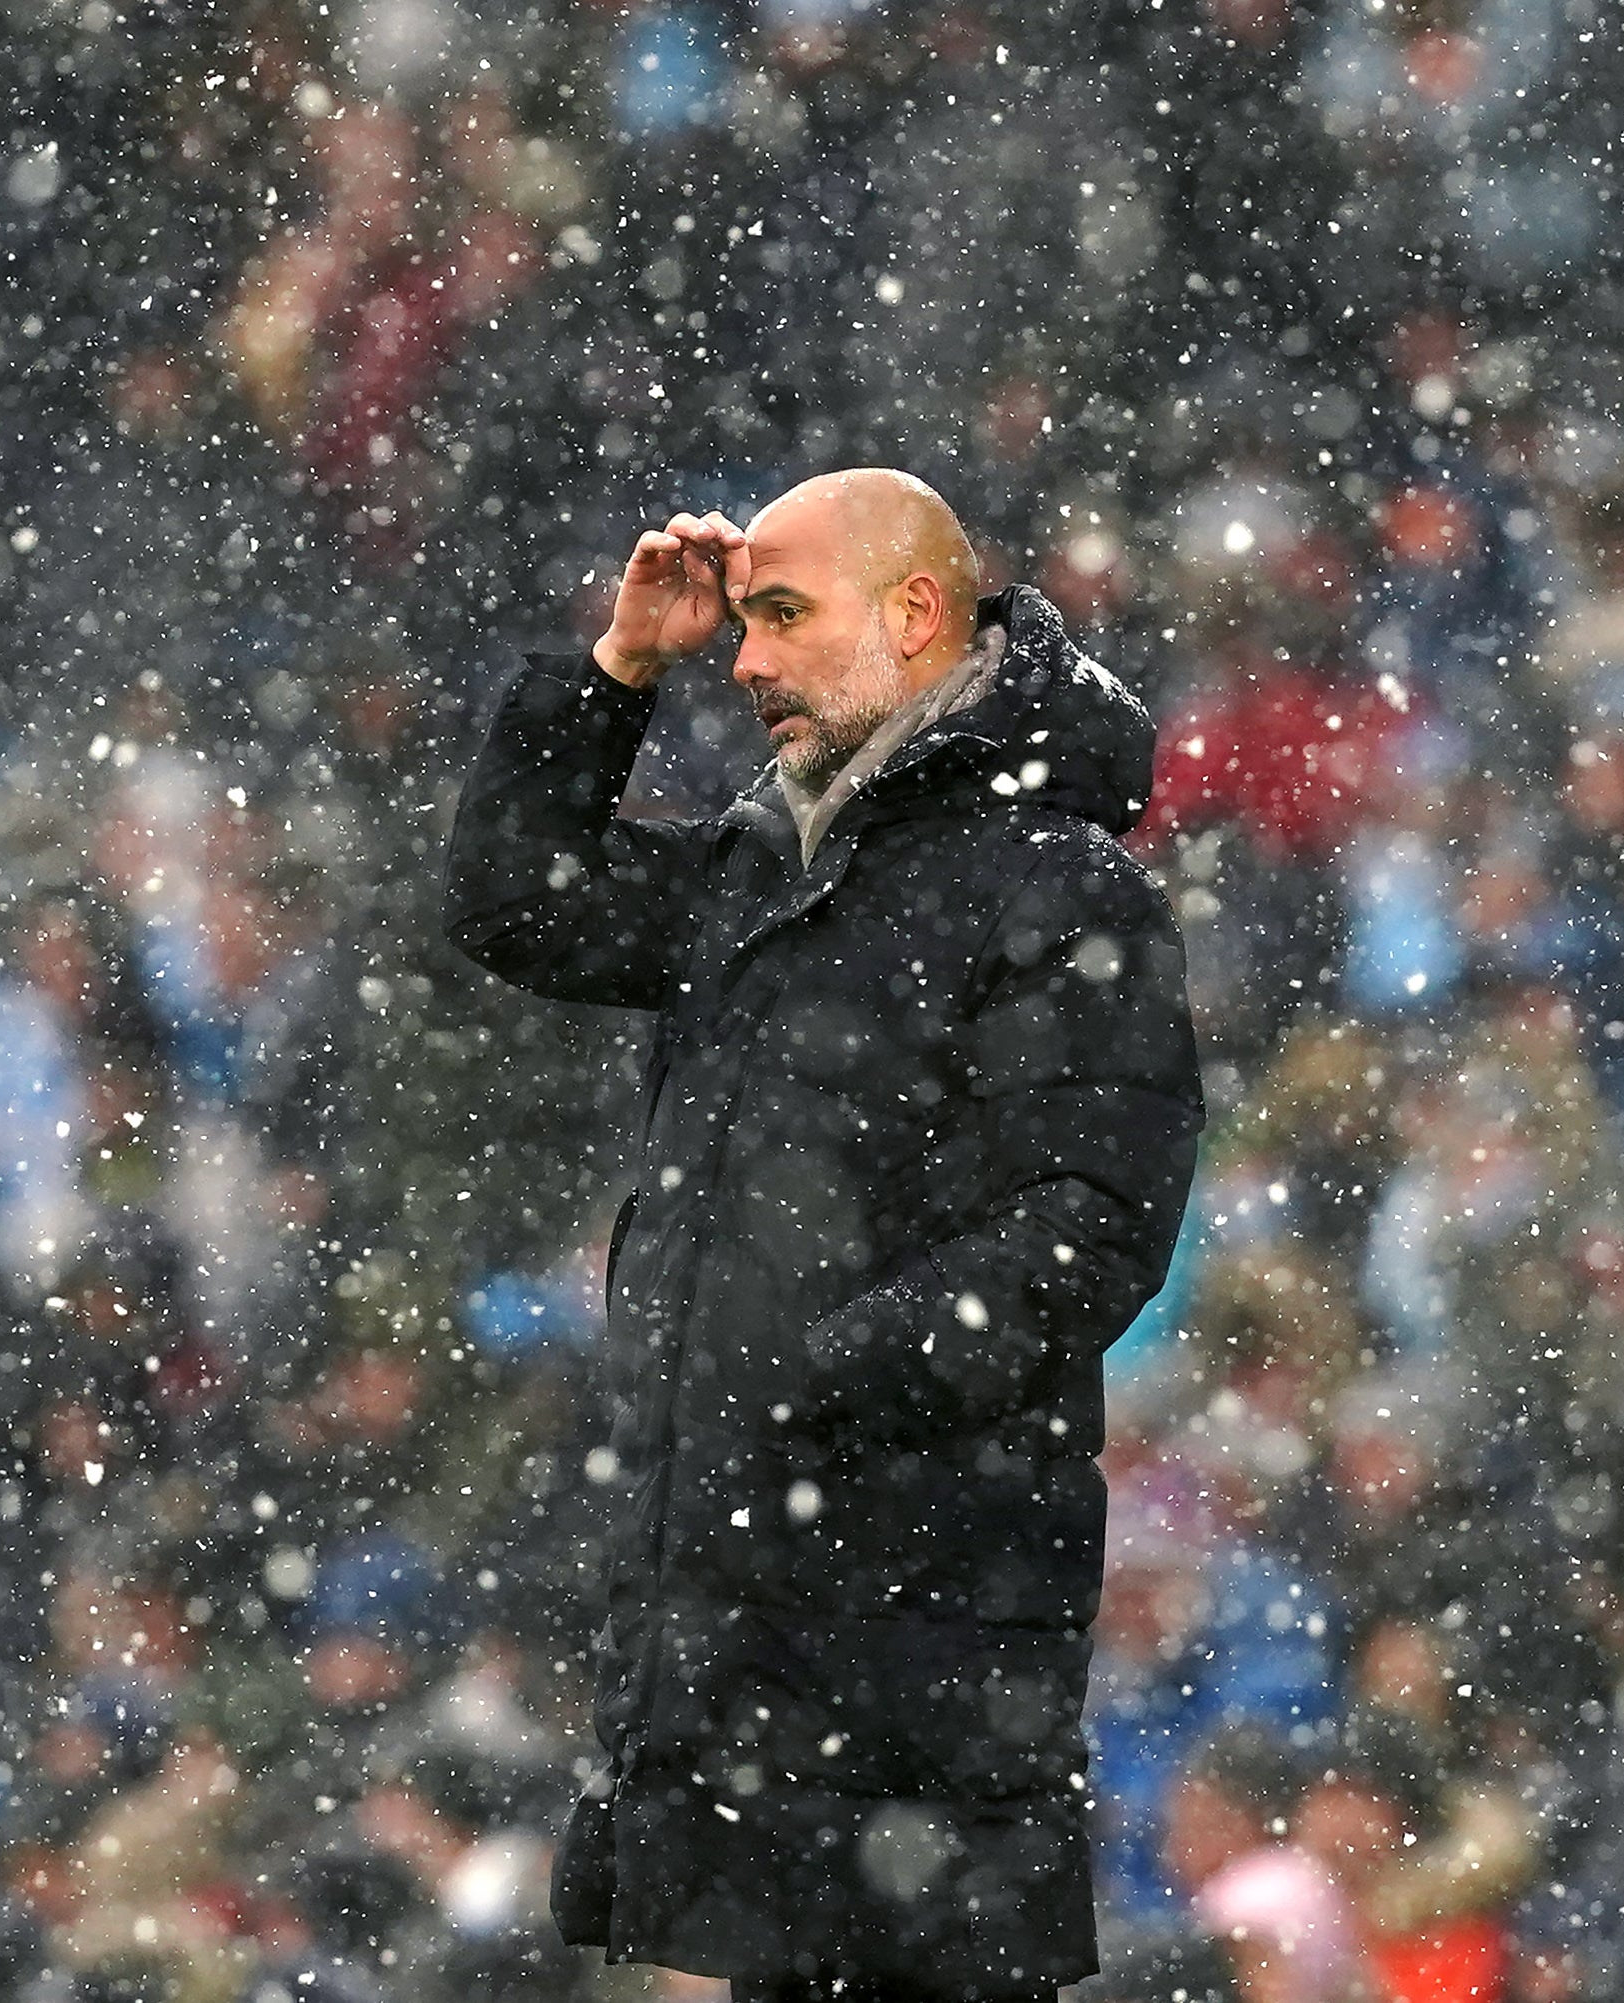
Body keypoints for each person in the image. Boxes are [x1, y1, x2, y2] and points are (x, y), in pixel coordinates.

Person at [443, 470, 1204, 1999]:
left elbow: (1089, 1225)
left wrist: (811, 1383)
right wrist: (615, 671)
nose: (748, 660)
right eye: (741, 624)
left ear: (917, 613)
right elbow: (515, 901)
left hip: (922, 1613)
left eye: (782, 615)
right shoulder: (761, 868)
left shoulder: (1056, 881)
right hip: (749, 1609)